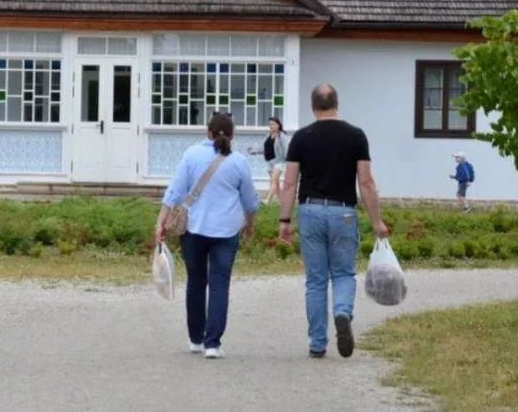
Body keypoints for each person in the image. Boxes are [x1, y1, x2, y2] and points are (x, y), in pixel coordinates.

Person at [279, 84, 389, 359]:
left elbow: (290, 182)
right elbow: (365, 181)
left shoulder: (301, 138)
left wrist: (284, 220)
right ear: (337, 104)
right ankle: (342, 312)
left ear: (313, 106)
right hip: (344, 212)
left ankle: (318, 343)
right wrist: (377, 222)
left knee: (315, 281)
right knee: (343, 273)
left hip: (310, 211)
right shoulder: (355, 136)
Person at [155, 112, 259, 360]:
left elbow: (175, 191)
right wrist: (250, 226)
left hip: (193, 229)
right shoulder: (239, 162)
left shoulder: (191, 155)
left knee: (196, 281)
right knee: (220, 283)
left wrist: (161, 222)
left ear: (208, 133)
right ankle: (213, 343)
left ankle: (195, 338)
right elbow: (250, 202)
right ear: (232, 136)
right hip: (226, 231)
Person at [260, 117, 289, 205]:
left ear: (278, 125)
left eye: (273, 124)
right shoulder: (268, 135)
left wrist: (288, 160)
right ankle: (282, 202)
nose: (271, 126)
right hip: (270, 162)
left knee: (273, 180)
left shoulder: (281, 136)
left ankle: (267, 201)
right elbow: (264, 148)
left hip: (279, 162)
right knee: (276, 184)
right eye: (270, 124)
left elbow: (286, 149)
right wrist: (253, 151)